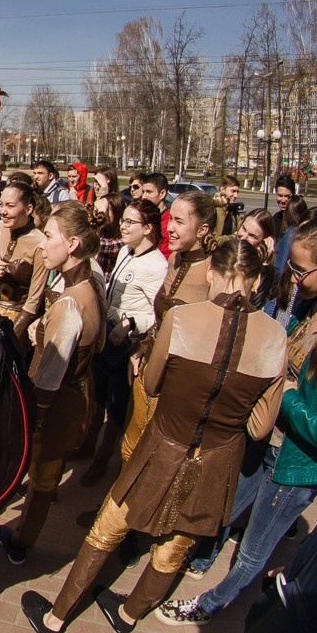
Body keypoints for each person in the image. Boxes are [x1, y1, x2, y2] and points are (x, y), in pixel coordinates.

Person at [24, 237, 286, 633]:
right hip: (218, 455)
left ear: (212, 272)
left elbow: (151, 381)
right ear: (256, 279)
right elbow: (260, 427)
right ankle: (130, 613)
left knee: (109, 527)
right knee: (175, 545)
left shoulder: (183, 319)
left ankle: (57, 617)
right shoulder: (274, 336)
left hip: (164, 442)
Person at [157, 218, 317, 625]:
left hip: (295, 466)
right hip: (263, 442)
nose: (290, 276)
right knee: (223, 512)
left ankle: (210, 604)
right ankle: (200, 558)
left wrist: (289, 398)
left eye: (300, 270)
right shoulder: (306, 307)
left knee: (254, 549)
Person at [0, 201, 106, 566]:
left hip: (52, 404)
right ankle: (22, 538)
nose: (42, 246)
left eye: (50, 237)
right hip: (76, 396)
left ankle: (6, 538)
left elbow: (47, 379)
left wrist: (27, 415)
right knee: (46, 475)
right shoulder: (94, 277)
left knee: (24, 468)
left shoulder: (69, 305)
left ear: (72, 244)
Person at [120, 190, 216, 465]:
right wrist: (144, 346)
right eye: (170, 219)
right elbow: (161, 319)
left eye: (179, 221)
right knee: (130, 449)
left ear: (203, 229)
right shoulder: (175, 259)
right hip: (149, 371)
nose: (169, 228)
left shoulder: (213, 272)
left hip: (179, 388)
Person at [77, 198, 167, 487]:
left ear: (149, 228)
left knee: (116, 409)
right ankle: (87, 446)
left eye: (130, 222)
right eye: (123, 220)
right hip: (108, 338)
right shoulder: (127, 251)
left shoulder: (156, 265)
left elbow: (157, 312)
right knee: (96, 400)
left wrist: (130, 322)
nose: (123, 226)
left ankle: (103, 461)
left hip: (126, 347)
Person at [0, 180, 49, 349]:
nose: (3, 211)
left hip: (16, 318)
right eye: (1, 204)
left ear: (28, 209)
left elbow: (34, 301)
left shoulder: (39, 242)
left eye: (10, 206)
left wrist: (12, 337)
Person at [137, 172, 171, 258]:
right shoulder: (142, 216)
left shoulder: (169, 223)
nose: (144, 196)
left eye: (149, 192)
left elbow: (166, 255)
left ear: (162, 194)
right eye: (143, 192)